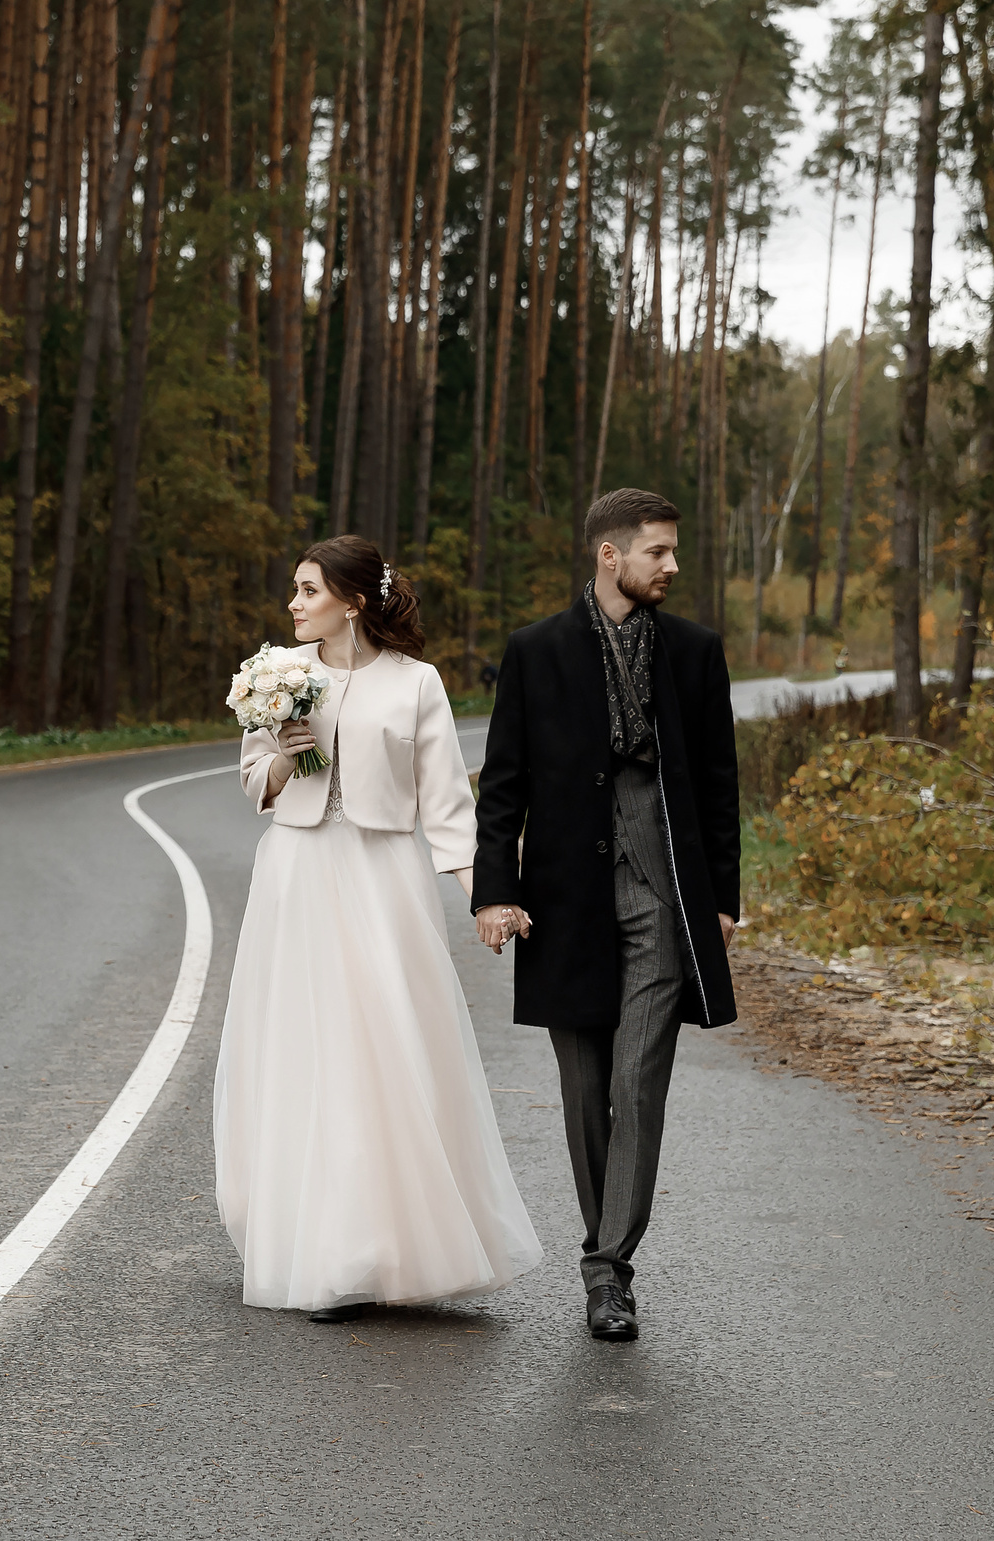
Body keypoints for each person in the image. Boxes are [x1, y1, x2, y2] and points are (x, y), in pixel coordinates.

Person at [214, 536, 543, 1321]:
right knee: (305, 1051)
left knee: (384, 1051)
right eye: (293, 589)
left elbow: (447, 807)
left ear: (353, 600)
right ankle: (323, 1249)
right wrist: (288, 757)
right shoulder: (280, 677)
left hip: (384, 879)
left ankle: (387, 1243)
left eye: (307, 589)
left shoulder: (416, 684)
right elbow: (252, 779)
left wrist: (488, 896)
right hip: (294, 876)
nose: (293, 603)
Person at [470, 489, 740, 1342]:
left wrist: (723, 895)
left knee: (637, 1082)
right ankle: (605, 1253)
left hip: (661, 890)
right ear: (608, 556)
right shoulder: (536, 651)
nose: (670, 565)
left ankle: (607, 1269)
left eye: (671, 550)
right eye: (656, 551)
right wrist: (493, 889)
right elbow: (503, 784)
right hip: (565, 896)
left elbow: (721, 783)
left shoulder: (695, 653)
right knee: (585, 1089)